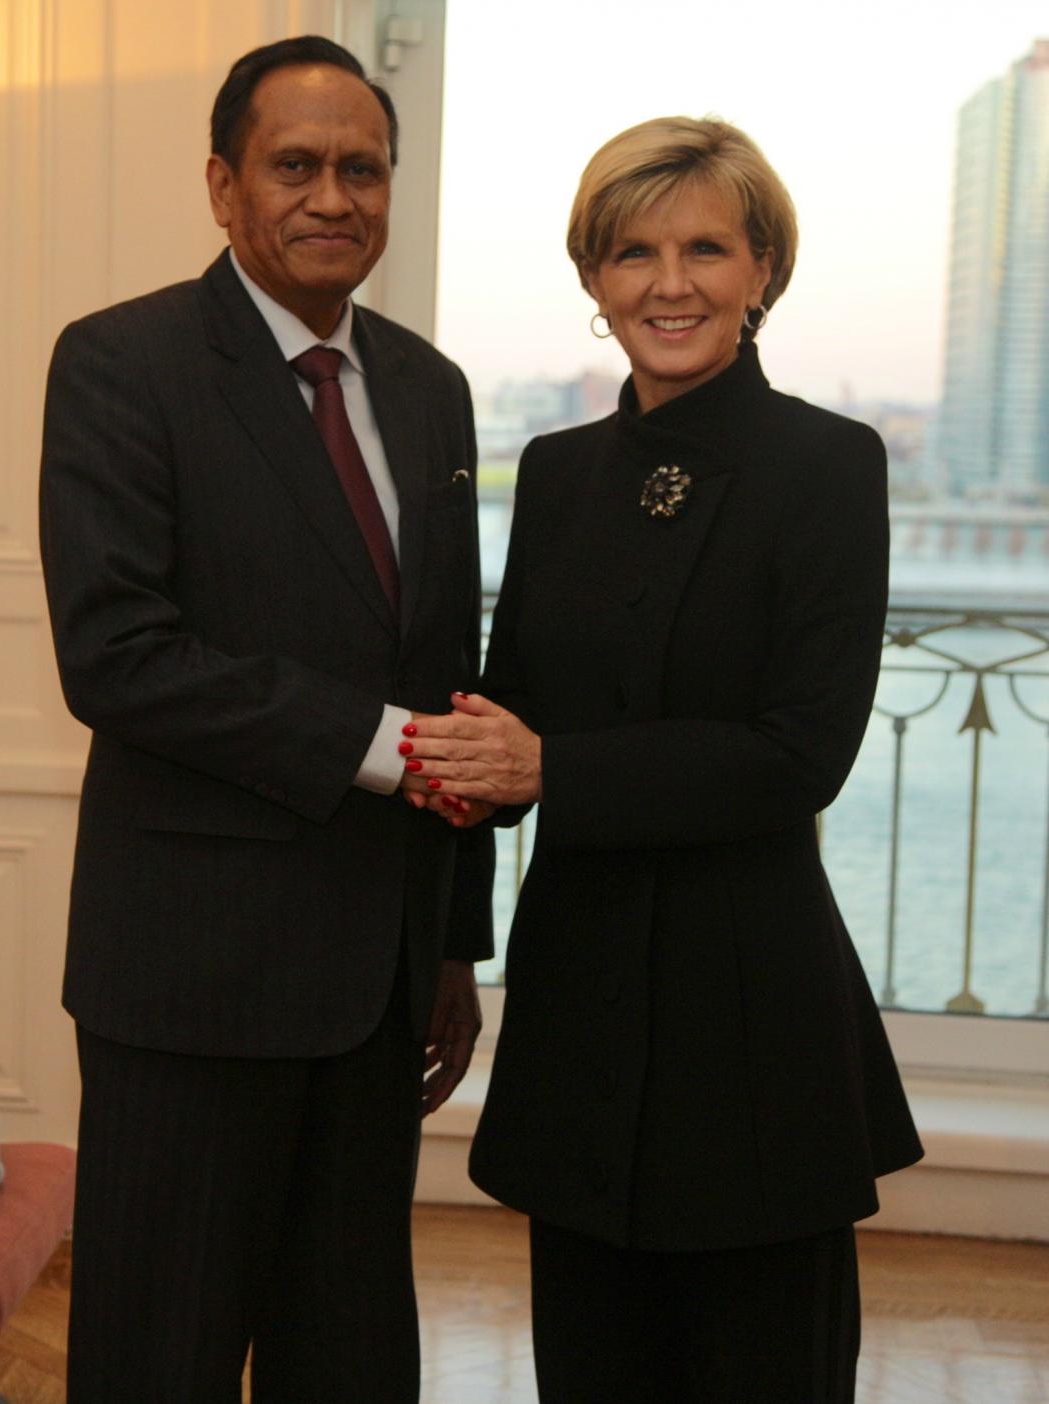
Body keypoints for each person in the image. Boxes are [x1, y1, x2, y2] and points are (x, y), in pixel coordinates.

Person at [402, 116, 923, 1403]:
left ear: (763, 270)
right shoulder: (563, 472)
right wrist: (442, 929)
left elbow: (801, 756)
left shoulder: (829, 463)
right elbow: (505, 711)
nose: (669, 283)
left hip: (752, 1022)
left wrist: (548, 775)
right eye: (633, 252)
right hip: (577, 1012)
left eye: (706, 248)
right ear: (593, 280)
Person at [39, 36, 492, 1404]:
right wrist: (377, 750)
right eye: (296, 165)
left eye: (364, 168)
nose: (333, 196)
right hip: (188, 985)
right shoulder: (122, 365)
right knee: (157, 1361)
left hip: (376, 991)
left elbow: (451, 677)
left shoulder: (431, 391)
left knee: (349, 1364)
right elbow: (117, 656)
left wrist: (454, 949)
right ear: (224, 187)